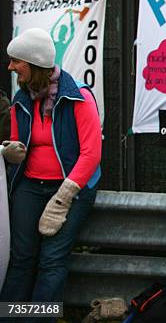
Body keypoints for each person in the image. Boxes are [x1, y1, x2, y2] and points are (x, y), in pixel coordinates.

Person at [0, 28, 102, 316]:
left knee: (52, 260)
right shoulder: (21, 99)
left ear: (33, 63)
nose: (11, 67)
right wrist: (11, 151)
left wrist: (64, 197)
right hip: (30, 187)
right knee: (21, 259)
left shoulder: (78, 96)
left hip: (69, 188)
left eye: (16, 61)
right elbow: (19, 144)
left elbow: (91, 153)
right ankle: (10, 317)